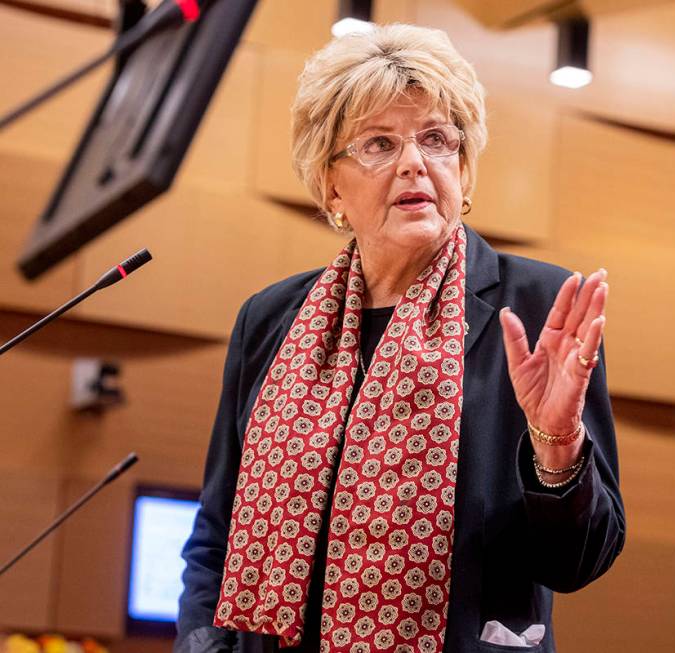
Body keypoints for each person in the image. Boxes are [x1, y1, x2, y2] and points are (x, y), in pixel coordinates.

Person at [176, 23, 625, 653]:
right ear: (331, 185)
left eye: (437, 140)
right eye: (379, 143)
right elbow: (216, 534)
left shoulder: (537, 308)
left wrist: (558, 451)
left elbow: (579, 562)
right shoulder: (270, 319)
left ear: (463, 172)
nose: (415, 162)